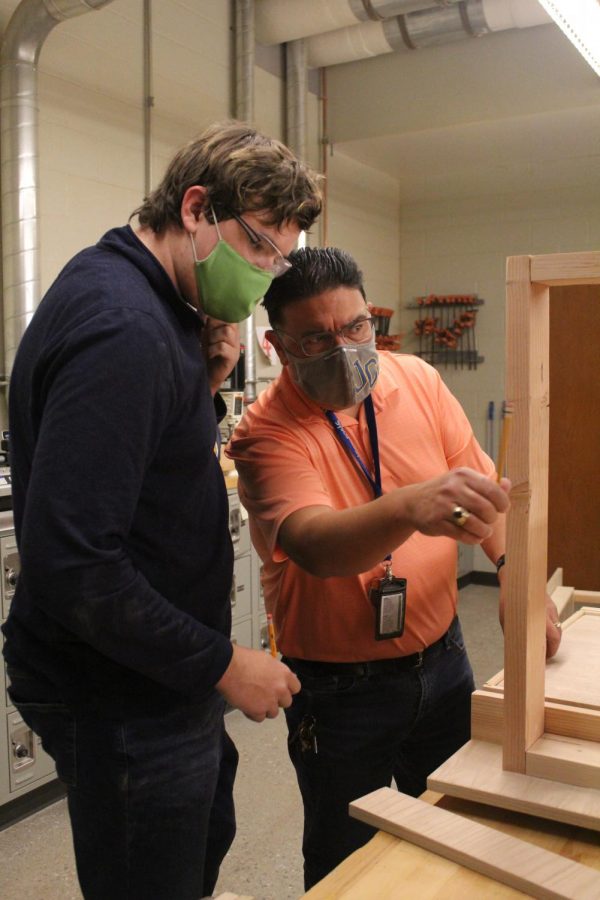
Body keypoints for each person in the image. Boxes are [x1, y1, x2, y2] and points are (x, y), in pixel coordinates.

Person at [2, 121, 322, 900]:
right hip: (119, 693)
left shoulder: (156, 300)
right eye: (258, 249)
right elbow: (76, 562)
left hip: (155, 677)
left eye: (281, 257)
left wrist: (204, 385)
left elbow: (139, 470)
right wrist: (224, 663)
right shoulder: (125, 327)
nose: (266, 275)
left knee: (200, 839)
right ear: (194, 207)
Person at [226, 246, 562, 890]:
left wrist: (512, 569)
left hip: (443, 657)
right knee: (349, 861)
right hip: (338, 691)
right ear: (278, 346)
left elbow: (483, 493)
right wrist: (409, 505)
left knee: (459, 831)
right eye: (318, 339)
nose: (346, 347)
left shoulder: (418, 380)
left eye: (356, 328)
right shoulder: (265, 433)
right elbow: (316, 545)